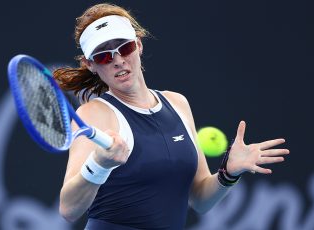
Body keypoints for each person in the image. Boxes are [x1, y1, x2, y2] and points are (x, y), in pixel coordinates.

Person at [54, 3, 289, 230]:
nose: (117, 60)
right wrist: (100, 164)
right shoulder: (93, 114)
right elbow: (68, 209)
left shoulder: (178, 103)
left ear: (138, 45)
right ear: (90, 65)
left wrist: (229, 174)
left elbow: (200, 200)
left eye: (124, 47)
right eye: (104, 56)